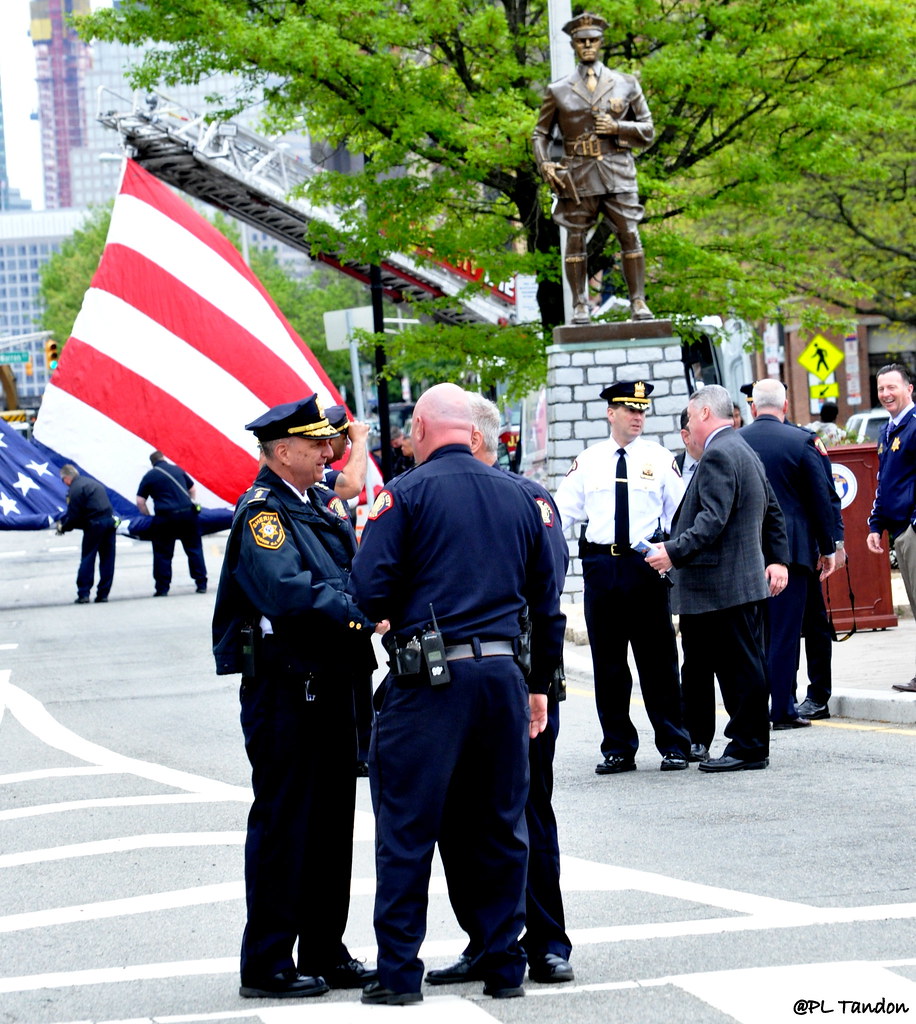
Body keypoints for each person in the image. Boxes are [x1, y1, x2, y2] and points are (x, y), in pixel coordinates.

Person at [349, 383, 566, 1005]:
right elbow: (545, 605)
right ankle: (504, 966)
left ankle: (397, 977)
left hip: (429, 684)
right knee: (501, 826)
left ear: (420, 428)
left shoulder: (403, 495)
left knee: (408, 830)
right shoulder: (521, 497)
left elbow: (369, 592)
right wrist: (539, 686)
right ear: (471, 432)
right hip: (502, 679)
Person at [211, 395, 387, 1000]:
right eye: (315, 444)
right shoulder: (262, 513)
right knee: (287, 824)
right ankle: (266, 962)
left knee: (332, 824)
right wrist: (360, 616)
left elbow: (351, 570)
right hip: (287, 691)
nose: (327, 451)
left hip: (331, 683)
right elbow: (287, 591)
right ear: (282, 452)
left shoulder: (312, 502)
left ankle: (323, 948)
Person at [427, 394, 574, 989]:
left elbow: (547, 601)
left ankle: (546, 943)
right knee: (459, 820)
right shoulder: (432, 493)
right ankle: (487, 940)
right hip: (463, 684)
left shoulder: (529, 499)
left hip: (520, 681)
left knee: (526, 813)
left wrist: (540, 683)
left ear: (476, 441)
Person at [646, 385, 790, 772]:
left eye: (691, 416)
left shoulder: (719, 454)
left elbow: (712, 521)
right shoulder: (742, 449)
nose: (689, 424)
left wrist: (670, 553)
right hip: (736, 583)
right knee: (741, 667)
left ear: (706, 412)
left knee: (741, 671)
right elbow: (771, 510)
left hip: (724, 585)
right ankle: (745, 743)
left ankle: (748, 746)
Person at [554, 380, 691, 775]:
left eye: (642, 410)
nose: (638, 417)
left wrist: (671, 555)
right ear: (610, 413)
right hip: (602, 568)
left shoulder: (660, 459)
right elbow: (561, 512)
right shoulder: (590, 460)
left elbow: (679, 514)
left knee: (659, 661)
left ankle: (673, 743)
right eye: (630, 410)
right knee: (609, 663)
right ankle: (617, 747)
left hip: (643, 566)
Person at [533, 12, 655, 325]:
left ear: (601, 43)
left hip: (617, 171)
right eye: (581, 40)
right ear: (573, 44)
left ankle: (638, 301)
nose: (587, 45)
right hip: (578, 175)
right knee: (575, 239)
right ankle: (579, 306)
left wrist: (617, 127)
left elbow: (648, 131)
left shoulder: (626, 84)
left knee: (629, 234)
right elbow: (541, 134)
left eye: (593, 40)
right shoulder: (558, 90)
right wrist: (545, 163)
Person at [741, 379, 837, 728]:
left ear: (753, 407)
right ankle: (782, 708)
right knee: (784, 633)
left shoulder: (735, 442)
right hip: (794, 553)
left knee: (758, 634)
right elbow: (821, 499)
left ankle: (756, 706)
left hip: (749, 552)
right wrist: (829, 548)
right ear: (785, 406)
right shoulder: (801, 441)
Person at [322, 403, 373, 775]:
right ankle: (354, 751)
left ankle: (363, 751)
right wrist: (359, 442)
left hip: (347, 593)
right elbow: (353, 484)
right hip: (333, 602)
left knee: (360, 679)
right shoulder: (323, 478)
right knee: (349, 683)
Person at [866, 363, 916, 692]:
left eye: (892, 387)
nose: (886, 394)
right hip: (897, 530)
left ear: (909, 388)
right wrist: (876, 524)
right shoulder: (888, 430)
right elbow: (885, 483)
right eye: (881, 388)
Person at [673, 409, 715, 761]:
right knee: (695, 663)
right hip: (687, 581)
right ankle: (697, 736)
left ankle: (748, 730)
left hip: (721, 577)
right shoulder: (669, 467)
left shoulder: (719, 461)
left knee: (734, 660)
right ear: (685, 436)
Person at [136, 450, 207, 596]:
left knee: (163, 554)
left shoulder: (150, 476)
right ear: (164, 458)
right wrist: (191, 501)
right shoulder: (177, 470)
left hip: (165, 518)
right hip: (187, 515)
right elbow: (192, 489)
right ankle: (201, 583)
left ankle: (162, 588)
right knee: (194, 550)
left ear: (152, 463)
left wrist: (148, 516)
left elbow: (140, 501)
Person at [57, 465, 117, 604]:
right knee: (108, 559)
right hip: (109, 522)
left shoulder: (75, 489)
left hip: (94, 524)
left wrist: (63, 528)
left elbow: (74, 516)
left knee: (88, 558)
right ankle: (103, 594)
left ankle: (84, 593)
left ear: (66, 479)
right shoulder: (91, 482)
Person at [322, 404, 370, 503]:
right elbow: (352, 485)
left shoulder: (324, 468)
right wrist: (358, 440)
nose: (348, 442)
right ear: (331, 441)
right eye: (344, 438)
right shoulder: (315, 472)